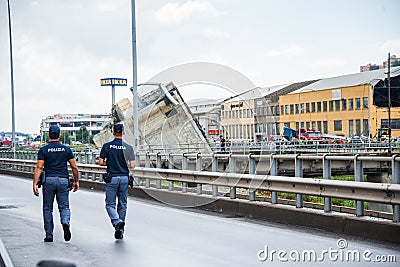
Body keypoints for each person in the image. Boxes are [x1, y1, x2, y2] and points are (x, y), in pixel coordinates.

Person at [33, 125, 79, 242]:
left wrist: (34, 183)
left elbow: (39, 167)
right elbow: (74, 167)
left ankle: (49, 235)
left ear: (49, 135)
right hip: (63, 180)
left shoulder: (44, 150)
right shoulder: (66, 149)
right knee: (64, 207)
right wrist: (76, 181)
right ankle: (65, 222)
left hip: (48, 180)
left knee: (47, 208)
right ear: (59, 135)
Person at [98, 124, 135, 240]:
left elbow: (100, 162)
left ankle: (117, 222)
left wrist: (108, 163)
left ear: (113, 133)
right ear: (123, 133)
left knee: (110, 204)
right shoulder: (128, 147)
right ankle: (121, 231)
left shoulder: (107, 146)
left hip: (112, 178)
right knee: (122, 205)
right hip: (124, 178)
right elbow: (133, 165)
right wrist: (125, 164)